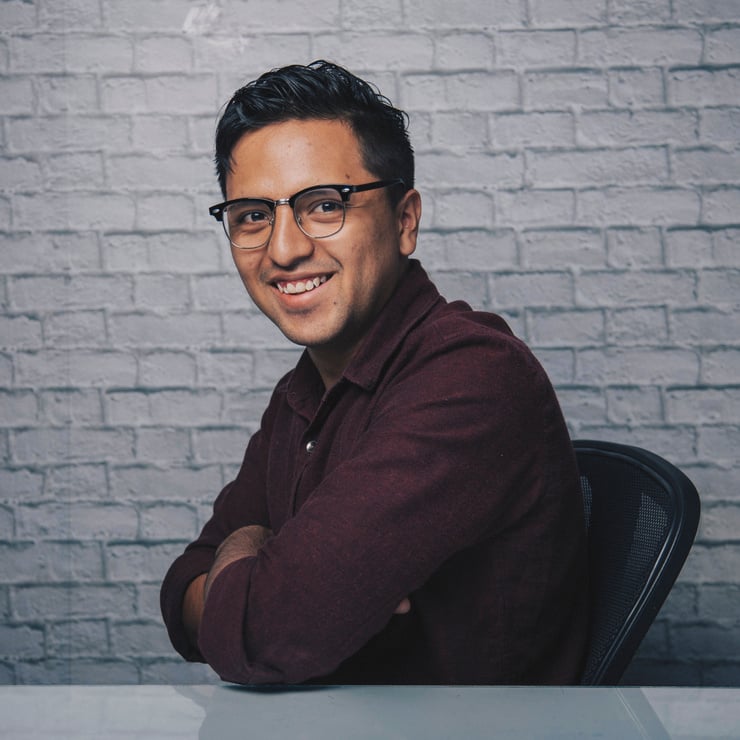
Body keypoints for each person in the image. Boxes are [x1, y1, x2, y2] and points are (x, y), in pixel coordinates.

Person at [160, 60, 589, 685]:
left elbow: (267, 632)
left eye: (325, 205)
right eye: (253, 214)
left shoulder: (472, 379)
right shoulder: (302, 392)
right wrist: (252, 566)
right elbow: (181, 597)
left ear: (405, 220)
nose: (283, 249)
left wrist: (256, 565)